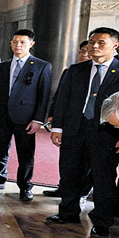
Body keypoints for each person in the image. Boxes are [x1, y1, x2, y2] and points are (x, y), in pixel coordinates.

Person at [48, 27, 119, 238]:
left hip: (107, 134)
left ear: (115, 45)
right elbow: (62, 100)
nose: (94, 46)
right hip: (75, 130)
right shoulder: (75, 70)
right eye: (91, 42)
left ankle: (102, 221)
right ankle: (68, 212)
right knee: (69, 173)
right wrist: (57, 128)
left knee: (103, 178)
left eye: (101, 43)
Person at [0, 29, 52, 201]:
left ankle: (25, 186)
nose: (18, 45)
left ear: (31, 44)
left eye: (22, 42)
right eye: (15, 42)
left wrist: (38, 120)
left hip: (26, 118)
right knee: (0, 149)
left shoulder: (42, 66)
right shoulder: (1, 67)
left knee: (25, 153)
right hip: (1, 115)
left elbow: (43, 96)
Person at [42, 40, 91, 198]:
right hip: (71, 124)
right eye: (82, 51)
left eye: (87, 51)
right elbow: (59, 96)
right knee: (68, 162)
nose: (84, 54)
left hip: (92, 126)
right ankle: (64, 189)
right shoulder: (71, 71)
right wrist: (53, 115)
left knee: (88, 163)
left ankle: (83, 192)